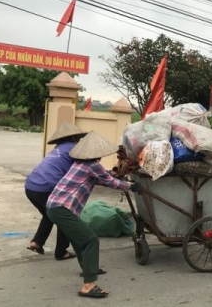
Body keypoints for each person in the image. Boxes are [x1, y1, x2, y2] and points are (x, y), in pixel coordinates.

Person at [46, 132, 143, 298]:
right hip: (62, 208)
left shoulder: (80, 163)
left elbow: (101, 178)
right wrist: (130, 186)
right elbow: (109, 182)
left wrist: (116, 176)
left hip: (55, 206)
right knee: (90, 239)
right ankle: (88, 286)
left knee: (78, 239)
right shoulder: (93, 165)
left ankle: (88, 270)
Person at [25, 122, 87, 260]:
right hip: (46, 187)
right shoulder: (74, 149)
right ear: (74, 137)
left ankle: (37, 242)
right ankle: (61, 252)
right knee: (63, 216)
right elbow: (84, 168)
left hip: (31, 186)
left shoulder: (56, 149)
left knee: (49, 215)